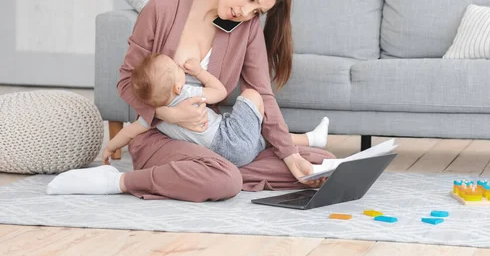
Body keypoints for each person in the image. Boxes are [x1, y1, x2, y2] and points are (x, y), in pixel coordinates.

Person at [46, 0, 336, 201]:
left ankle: (204, 172)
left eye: (257, 11)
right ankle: (120, 182)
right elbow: (126, 81)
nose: (246, 13)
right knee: (226, 181)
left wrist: (288, 155)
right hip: (159, 135)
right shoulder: (161, 10)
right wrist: (168, 113)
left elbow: (261, 93)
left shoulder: (244, 28)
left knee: (318, 162)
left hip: (214, 139)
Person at [101, 52, 329, 168]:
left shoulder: (152, 118)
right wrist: (199, 72)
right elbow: (219, 91)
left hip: (224, 155)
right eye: (175, 67)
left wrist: (111, 146)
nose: (179, 66)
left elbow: (129, 132)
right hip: (228, 138)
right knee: (252, 95)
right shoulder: (189, 96)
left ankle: (311, 139)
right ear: (178, 86)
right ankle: (308, 140)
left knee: (261, 136)